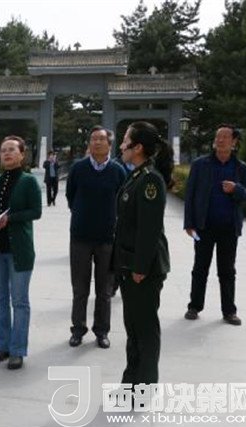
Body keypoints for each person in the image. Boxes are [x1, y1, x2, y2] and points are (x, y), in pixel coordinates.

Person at [113, 121, 173, 387]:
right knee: (134, 329)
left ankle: (144, 387)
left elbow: (149, 230)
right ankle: (131, 384)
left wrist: (140, 268)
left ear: (137, 147)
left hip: (143, 270)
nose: (121, 145)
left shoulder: (149, 179)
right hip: (130, 266)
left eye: (125, 140)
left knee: (145, 330)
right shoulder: (137, 174)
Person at [0, 136, 42, 370]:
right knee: (0, 300)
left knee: (20, 301)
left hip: (20, 250)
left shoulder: (29, 181)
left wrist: (10, 218)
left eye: (12, 150)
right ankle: (2, 346)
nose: (6, 153)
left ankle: (17, 350)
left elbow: (36, 211)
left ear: (22, 155)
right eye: (3, 150)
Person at [183, 124, 246, 326]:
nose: (220, 140)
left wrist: (236, 189)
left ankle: (229, 311)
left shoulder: (242, 168)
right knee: (200, 268)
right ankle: (194, 306)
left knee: (227, 271)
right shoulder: (200, 164)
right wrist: (189, 223)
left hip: (229, 228)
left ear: (234, 142)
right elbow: (190, 194)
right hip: (203, 227)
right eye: (217, 137)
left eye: (225, 137)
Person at [66, 126, 126, 349]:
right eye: (93, 139)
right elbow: (71, 196)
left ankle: (102, 331)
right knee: (80, 288)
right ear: (89, 143)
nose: (97, 142)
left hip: (107, 238)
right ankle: (78, 329)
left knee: (105, 290)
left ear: (110, 144)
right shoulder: (78, 168)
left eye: (101, 139)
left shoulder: (118, 171)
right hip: (80, 236)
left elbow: (124, 200)